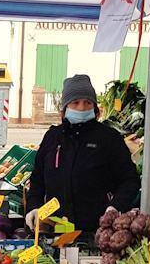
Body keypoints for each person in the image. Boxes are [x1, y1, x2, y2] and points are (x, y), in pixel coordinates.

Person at [25, 74, 139, 233]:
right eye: (75, 102)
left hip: (96, 231)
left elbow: (129, 180)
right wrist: (34, 207)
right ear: (65, 107)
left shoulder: (109, 138)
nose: (81, 108)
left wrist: (115, 207)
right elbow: (37, 180)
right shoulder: (52, 137)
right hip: (55, 229)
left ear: (94, 107)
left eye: (87, 102)